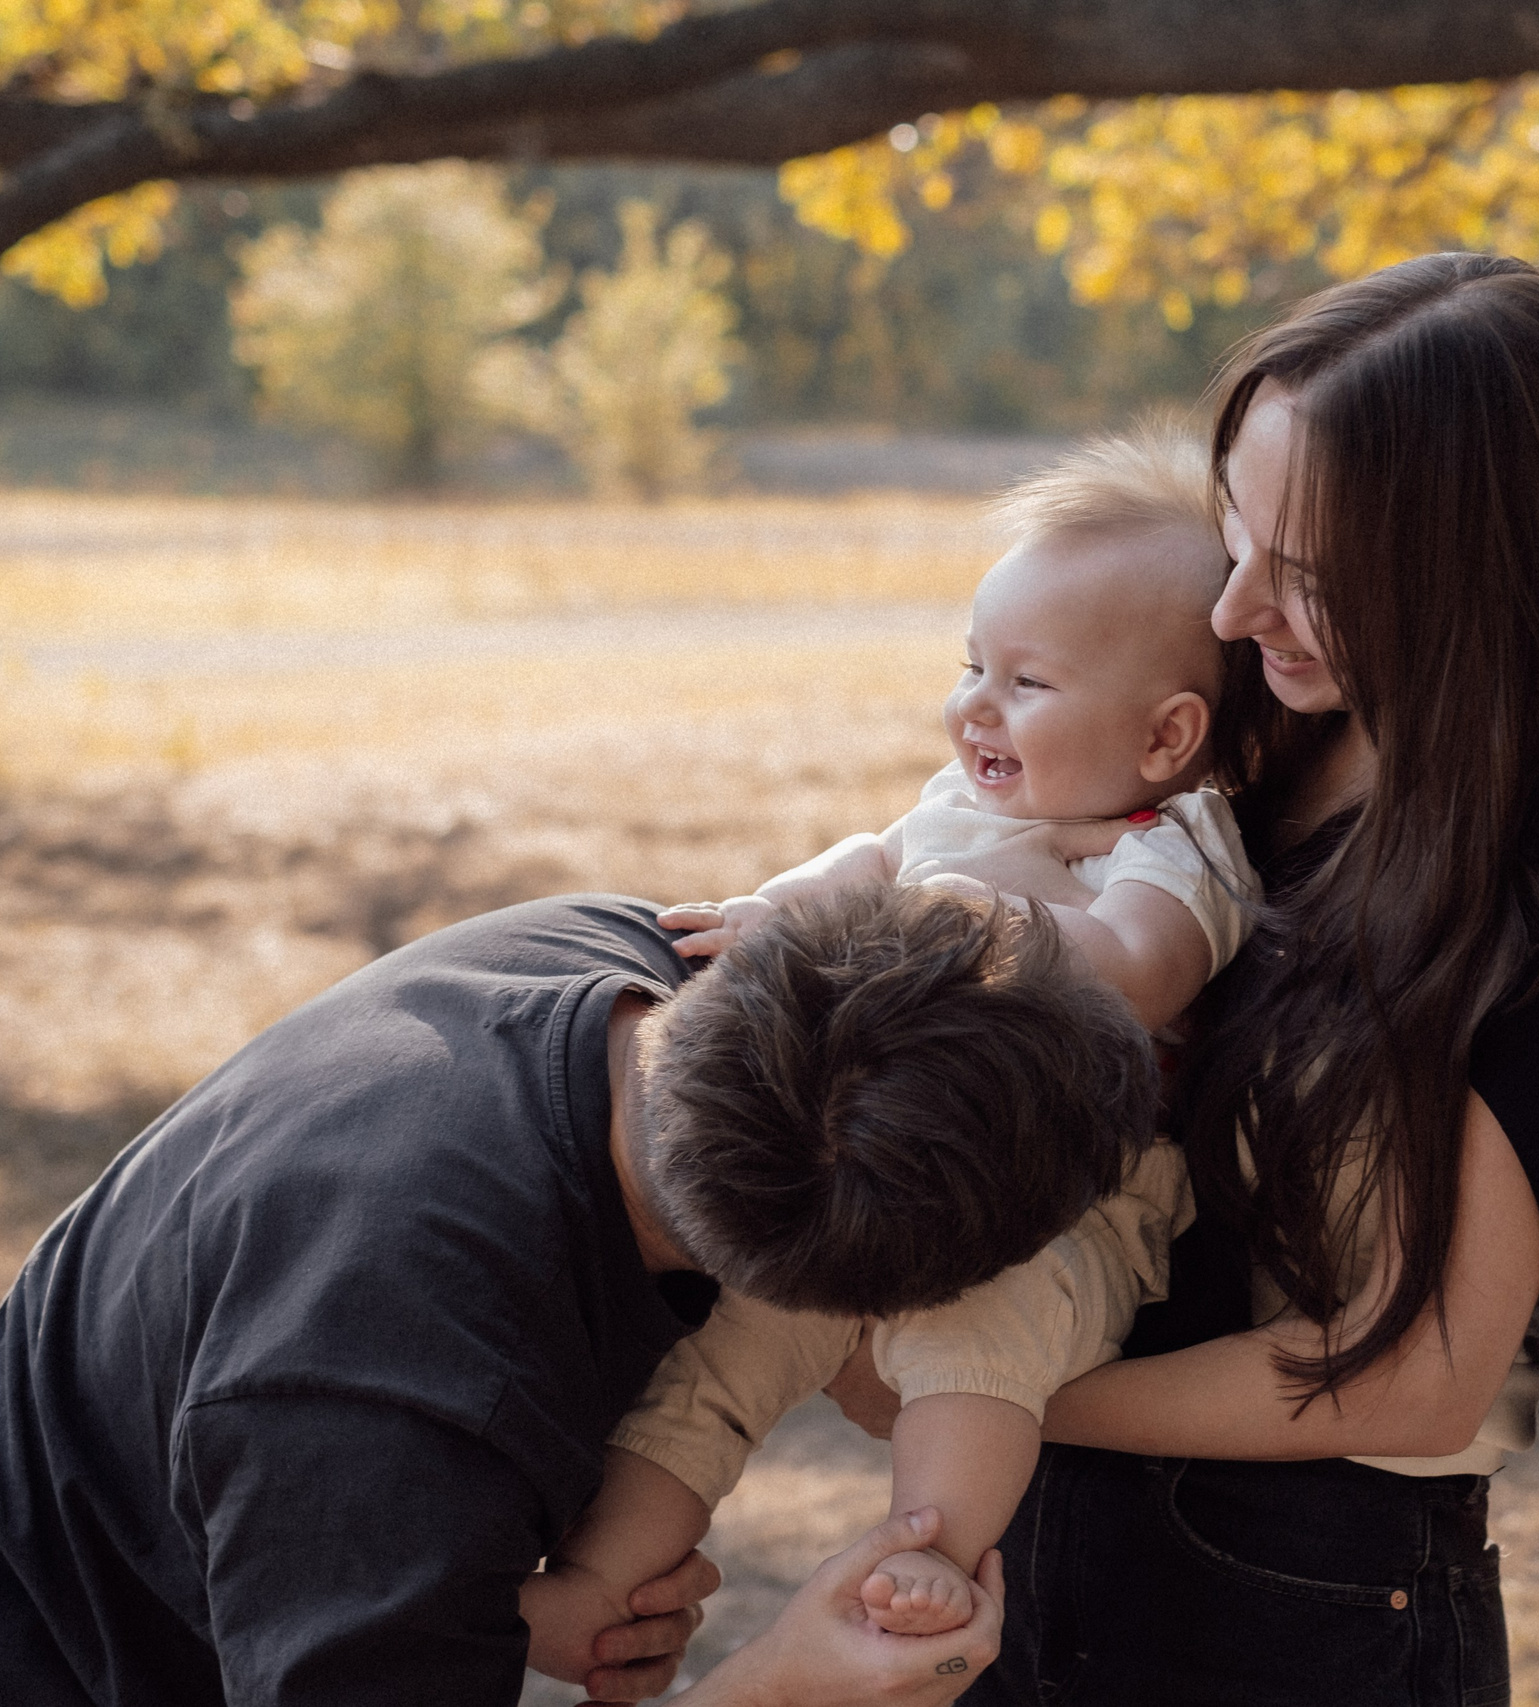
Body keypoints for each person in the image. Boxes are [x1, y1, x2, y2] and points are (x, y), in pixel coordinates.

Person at [836, 254, 1539, 1707]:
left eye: (1308, 570)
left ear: (1474, 558)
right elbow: (1002, 839)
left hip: (1308, 1597)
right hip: (1057, 1530)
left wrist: (987, 1388)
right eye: (1238, 532)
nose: (1241, 604)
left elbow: (1419, 1368)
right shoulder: (1276, 714)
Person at [0, 884, 1160, 1707]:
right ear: (835, 1307)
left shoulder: (651, 966)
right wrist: (780, 1687)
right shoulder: (388, 1387)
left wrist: (483, 1607)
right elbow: (361, 1453)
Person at [532, 430, 1261, 1649]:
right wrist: (786, 907)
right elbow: (863, 861)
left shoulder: (1174, 845)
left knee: (981, 1360)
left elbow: (1136, 971)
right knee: (730, 1343)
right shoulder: (964, 809)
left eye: (1026, 683)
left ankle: (930, 1552)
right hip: (880, 1167)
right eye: (973, 664)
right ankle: (605, 1580)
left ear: (1163, 738)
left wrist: (935, 918)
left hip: (1069, 1199)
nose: (974, 704)